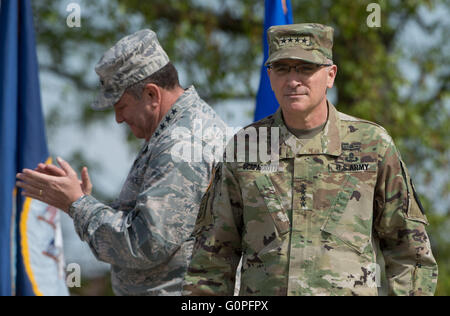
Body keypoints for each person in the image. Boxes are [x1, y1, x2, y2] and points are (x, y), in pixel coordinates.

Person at [183, 23, 438, 296]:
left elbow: (410, 254)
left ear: (330, 75)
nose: (293, 80)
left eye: (305, 68)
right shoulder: (245, 148)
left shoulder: (372, 145)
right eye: (282, 68)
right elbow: (211, 262)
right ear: (269, 75)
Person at [16, 29, 227, 296]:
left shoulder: (181, 145)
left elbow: (145, 244)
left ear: (152, 95)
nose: (118, 119)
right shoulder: (180, 131)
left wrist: (78, 205)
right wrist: (82, 200)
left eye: (121, 106)